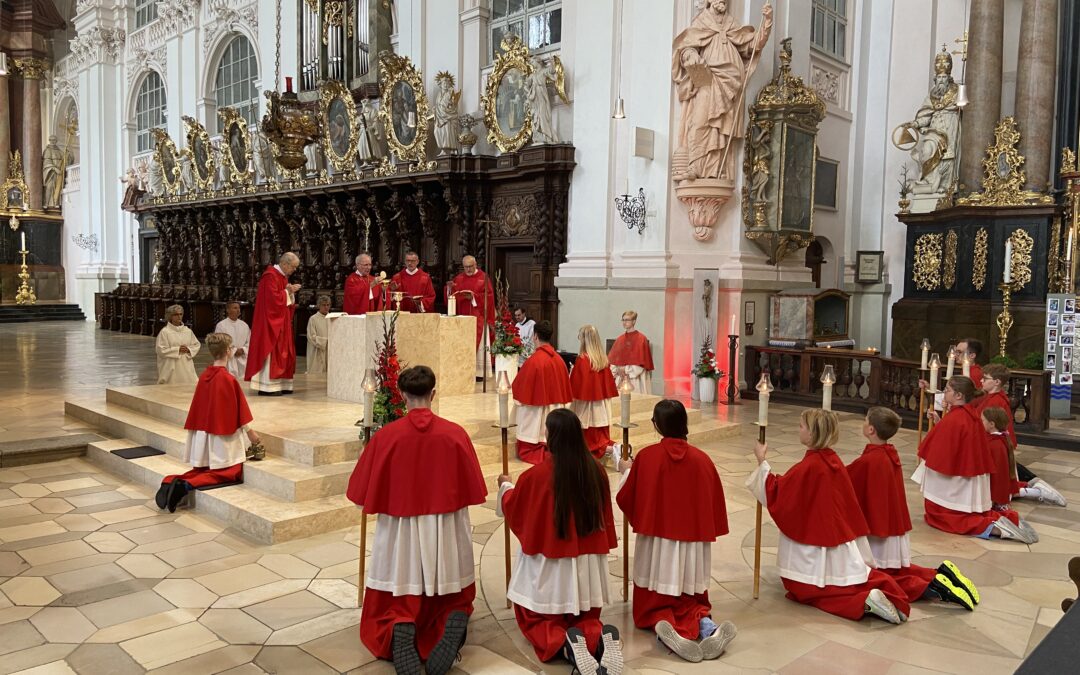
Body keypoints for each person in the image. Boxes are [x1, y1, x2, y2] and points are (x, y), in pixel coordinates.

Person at [346, 366, 486, 675]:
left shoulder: (386, 437)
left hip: (401, 526)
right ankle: (449, 616)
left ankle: (400, 622)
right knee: (448, 579)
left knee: (401, 577)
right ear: (433, 394)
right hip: (445, 524)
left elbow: (357, 491)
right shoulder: (455, 433)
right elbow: (474, 485)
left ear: (401, 395)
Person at [747, 408, 911, 624]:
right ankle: (869, 596)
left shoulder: (810, 466)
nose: (799, 429)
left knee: (803, 591)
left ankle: (865, 601)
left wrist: (762, 462)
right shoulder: (832, 460)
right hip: (840, 548)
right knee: (838, 584)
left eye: (802, 426)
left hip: (813, 555)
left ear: (813, 434)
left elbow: (778, 492)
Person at [496, 409, 622, 673]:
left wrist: (506, 487)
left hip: (551, 560)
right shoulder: (596, 471)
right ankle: (596, 636)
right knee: (585, 614)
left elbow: (517, 510)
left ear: (551, 436)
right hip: (588, 562)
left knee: (533, 616)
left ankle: (563, 644)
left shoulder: (536, 476)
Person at [615, 400, 735, 663]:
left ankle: (663, 626)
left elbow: (628, 497)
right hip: (692, 541)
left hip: (658, 541)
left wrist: (626, 472)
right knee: (692, 597)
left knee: (655, 601)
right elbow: (713, 501)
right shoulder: (703, 460)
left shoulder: (647, 457)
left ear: (657, 426)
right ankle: (707, 628)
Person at [846, 407, 980, 611]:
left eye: (865, 420)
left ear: (871, 429)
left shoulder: (869, 460)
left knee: (884, 575)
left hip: (879, 530)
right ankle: (941, 574)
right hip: (893, 525)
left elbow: (846, 481)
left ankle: (934, 586)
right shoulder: (889, 453)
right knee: (899, 569)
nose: (863, 423)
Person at [912, 376, 1037, 543]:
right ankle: (1004, 521)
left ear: (958, 396)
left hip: (956, 482)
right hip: (966, 476)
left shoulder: (957, 419)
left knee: (941, 515)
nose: (945, 393)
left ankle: (996, 528)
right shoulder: (970, 415)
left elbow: (943, 454)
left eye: (948, 390)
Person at [156, 333, 262, 512]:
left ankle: (169, 481)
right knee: (229, 472)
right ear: (228, 351)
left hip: (203, 436)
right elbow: (238, 409)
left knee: (203, 470)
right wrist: (250, 433)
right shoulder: (227, 379)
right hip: (222, 438)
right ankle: (184, 486)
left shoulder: (205, 375)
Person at [671, 0, 773, 180]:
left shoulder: (732, 24)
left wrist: (766, 23)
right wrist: (692, 55)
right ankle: (696, 166)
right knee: (700, 121)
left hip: (732, 83)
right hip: (708, 77)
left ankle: (715, 171)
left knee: (720, 128)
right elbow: (686, 47)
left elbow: (753, 45)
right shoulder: (701, 22)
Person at [976, 364, 1067, 507]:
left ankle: (1038, 491)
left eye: (985, 378)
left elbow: (993, 424)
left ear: (997, 382)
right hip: (993, 440)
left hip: (995, 441)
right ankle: (1037, 488)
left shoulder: (996, 401)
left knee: (1003, 486)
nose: (981, 381)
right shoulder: (991, 397)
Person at [512, 320, 572, 464]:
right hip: (556, 414)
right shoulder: (559, 359)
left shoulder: (534, 361)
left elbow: (520, 388)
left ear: (536, 336)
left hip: (537, 412)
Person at [245, 252, 302, 396]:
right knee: (272, 351)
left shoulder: (282, 277)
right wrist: (287, 292)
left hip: (282, 322)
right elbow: (272, 301)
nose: (294, 270)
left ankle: (283, 384)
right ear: (285, 264)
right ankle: (268, 387)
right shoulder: (270, 276)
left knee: (284, 352)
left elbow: (283, 298)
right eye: (293, 267)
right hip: (270, 323)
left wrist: (289, 292)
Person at [570, 325, 618, 459]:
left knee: (588, 435)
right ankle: (610, 448)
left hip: (586, 404)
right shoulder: (602, 359)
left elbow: (578, 386)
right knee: (600, 432)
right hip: (601, 403)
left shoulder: (583, 359)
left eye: (580, 337)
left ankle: (605, 449)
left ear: (585, 340)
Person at [450, 256, 495, 375]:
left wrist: (474, 297)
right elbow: (451, 296)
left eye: (471, 266)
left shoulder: (483, 277)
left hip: (478, 317)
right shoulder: (459, 278)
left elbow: (489, 297)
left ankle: (479, 373)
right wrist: (449, 289)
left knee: (479, 344)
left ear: (476, 265)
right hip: (462, 317)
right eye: (466, 267)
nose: (468, 269)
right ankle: (464, 370)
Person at [983, 406, 1025, 529]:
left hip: (996, 498)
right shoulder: (996, 439)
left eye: (983, 421)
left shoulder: (996, 444)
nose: (981, 423)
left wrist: (994, 498)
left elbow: (998, 475)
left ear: (991, 424)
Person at [608, 311, 654, 394]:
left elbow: (640, 366)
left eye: (627, 320)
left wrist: (625, 369)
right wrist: (617, 369)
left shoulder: (641, 339)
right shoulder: (620, 339)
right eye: (623, 320)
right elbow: (613, 361)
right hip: (621, 378)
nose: (624, 322)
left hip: (635, 380)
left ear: (634, 321)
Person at [156, 304, 201, 385]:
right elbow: (160, 350)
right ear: (170, 316)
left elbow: (196, 345)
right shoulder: (165, 332)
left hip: (186, 364)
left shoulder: (187, 331)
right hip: (171, 367)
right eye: (176, 314)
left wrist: (188, 349)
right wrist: (177, 350)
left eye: (181, 314)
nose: (179, 317)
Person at [214, 301, 251, 380]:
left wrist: (243, 350)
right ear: (228, 310)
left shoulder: (244, 325)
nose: (238, 310)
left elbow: (249, 341)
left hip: (242, 358)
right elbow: (219, 342)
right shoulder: (221, 325)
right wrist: (234, 351)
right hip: (228, 359)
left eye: (238, 308)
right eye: (235, 308)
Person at [306, 295, 331, 374]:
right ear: (319, 306)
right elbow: (311, 337)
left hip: (329, 350)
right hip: (316, 350)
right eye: (324, 305)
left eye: (328, 305)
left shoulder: (332, 318)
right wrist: (325, 342)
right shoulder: (313, 319)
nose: (326, 307)